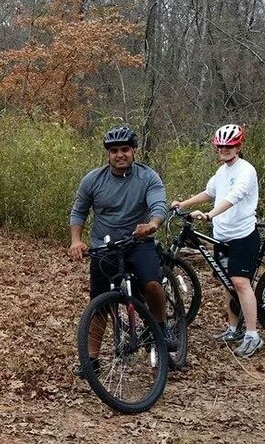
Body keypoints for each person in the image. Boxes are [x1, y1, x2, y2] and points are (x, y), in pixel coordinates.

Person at [69, 126, 176, 369]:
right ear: (108, 154)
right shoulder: (93, 180)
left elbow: (159, 205)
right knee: (100, 303)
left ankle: (159, 328)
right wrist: (76, 240)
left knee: (151, 283)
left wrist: (151, 224)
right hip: (104, 247)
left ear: (133, 151)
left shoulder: (148, 177)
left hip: (138, 242)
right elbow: (79, 211)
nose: (120, 155)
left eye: (125, 150)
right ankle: (91, 361)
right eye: (114, 150)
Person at [170, 124, 262, 357]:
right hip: (222, 236)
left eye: (230, 146)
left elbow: (234, 197)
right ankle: (234, 328)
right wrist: (184, 203)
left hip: (242, 235)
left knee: (240, 282)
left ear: (239, 147)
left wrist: (210, 214)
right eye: (221, 146)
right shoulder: (222, 171)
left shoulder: (246, 170)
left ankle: (253, 335)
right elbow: (210, 192)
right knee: (226, 282)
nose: (225, 150)